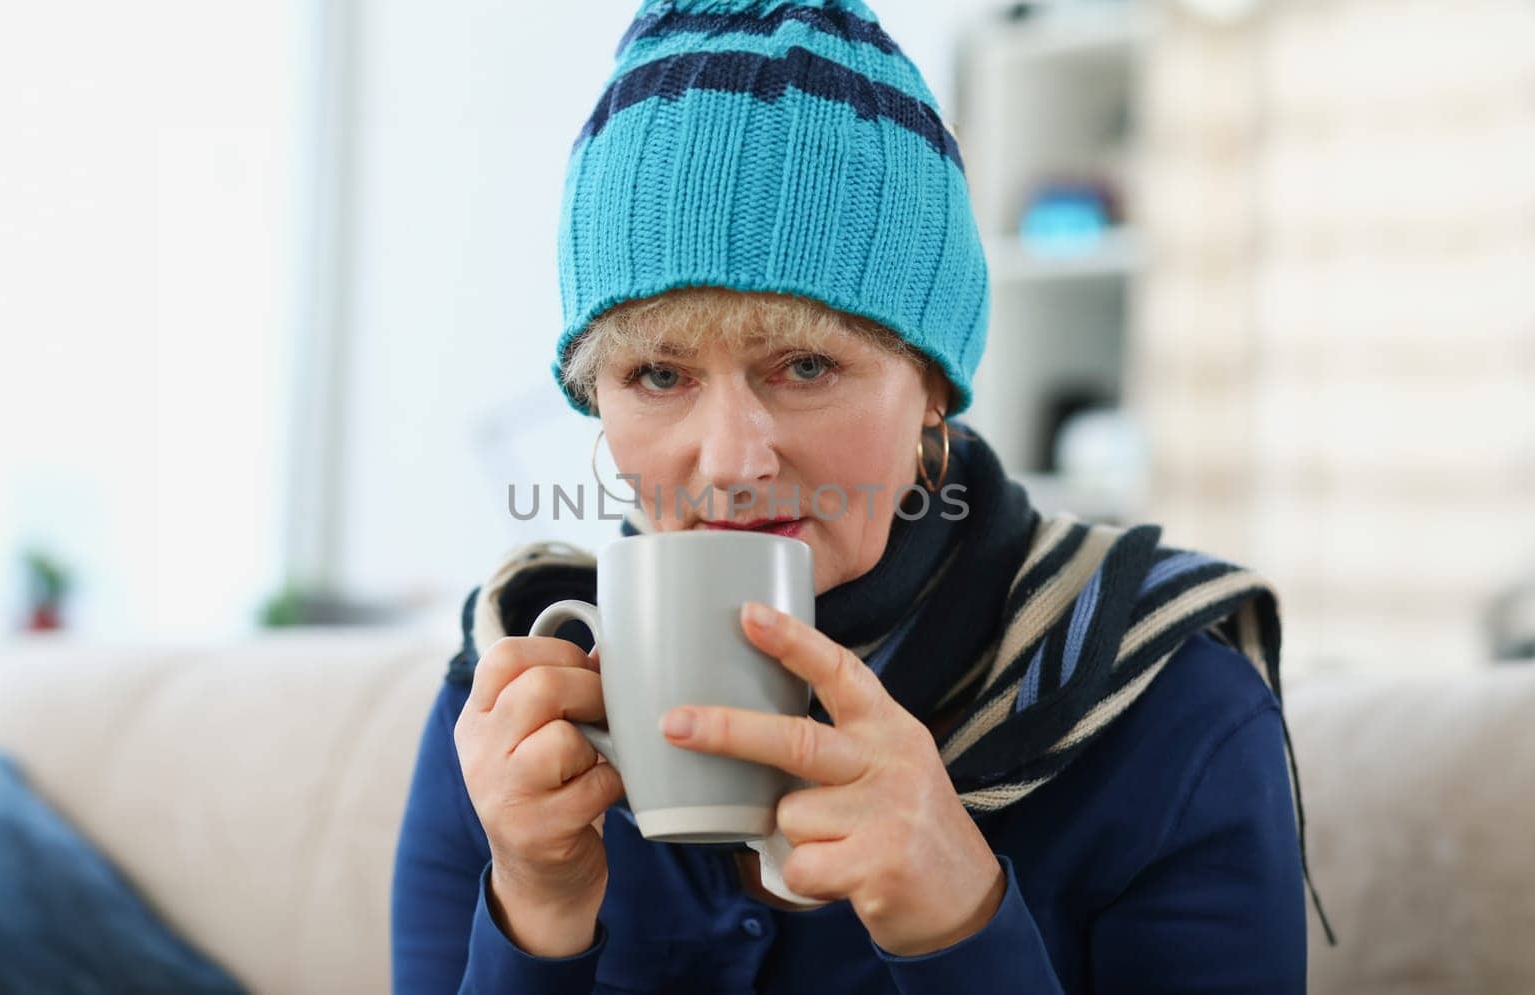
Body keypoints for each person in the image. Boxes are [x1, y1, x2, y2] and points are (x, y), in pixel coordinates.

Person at [392, 1, 1330, 991]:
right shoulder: (510, 696)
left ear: (930, 384)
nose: (729, 460)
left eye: (802, 364)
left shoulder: (1167, 703)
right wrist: (535, 906)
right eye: (656, 375)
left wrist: (958, 918)